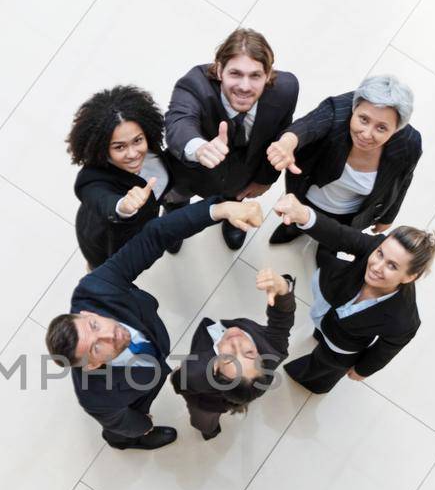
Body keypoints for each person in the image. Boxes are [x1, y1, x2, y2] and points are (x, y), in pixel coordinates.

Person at [45, 198, 264, 450]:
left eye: (94, 326)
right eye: (96, 347)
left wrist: (219, 210)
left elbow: (155, 235)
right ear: (93, 365)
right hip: (134, 396)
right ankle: (129, 443)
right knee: (120, 431)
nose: (110, 334)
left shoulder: (96, 289)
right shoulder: (95, 396)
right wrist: (142, 427)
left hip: (152, 342)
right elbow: (119, 420)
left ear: (87, 314)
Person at [270, 194, 435, 394]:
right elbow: (340, 235)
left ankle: (311, 379)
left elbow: (387, 349)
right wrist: (304, 215)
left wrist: (362, 370)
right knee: (321, 328)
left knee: (323, 368)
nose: (377, 266)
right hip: (329, 299)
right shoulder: (374, 246)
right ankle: (319, 332)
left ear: (410, 277)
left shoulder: (404, 320)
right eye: (380, 254)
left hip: (344, 343)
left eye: (392, 266)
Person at [165, 28, 299, 251]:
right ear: (219, 70)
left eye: (255, 75)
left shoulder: (286, 90)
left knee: (235, 195)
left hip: (241, 177)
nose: (245, 87)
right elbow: (179, 122)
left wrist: (266, 179)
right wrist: (199, 149)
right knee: (176, 198)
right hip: (191, 174)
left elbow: (279, 135)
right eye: (235, 74)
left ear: (268, 75)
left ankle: (233, 212)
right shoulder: (193, 85)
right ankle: (175, 216)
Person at [265, 74, 422, 243]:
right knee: (297, 220)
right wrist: (288, 142)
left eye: (382, 128)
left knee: (335, 240)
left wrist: (388, 217)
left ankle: (327, 248)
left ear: (396, 130)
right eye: (363, 119)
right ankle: (293, 229)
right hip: (309, 195)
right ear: (354, 109)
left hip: (352, 215)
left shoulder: (409, 144)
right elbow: (309, 125)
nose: (366, 134)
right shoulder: (337, 109)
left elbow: (403, 180)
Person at [170, 268, 297, 440]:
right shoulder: (273, 349)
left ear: (215, 366)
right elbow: (282, 321)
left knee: (204, 420)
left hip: (207, 402)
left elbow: (180, 383)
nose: (237, 342)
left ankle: (209, 432)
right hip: (237, 392)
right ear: (261, 357)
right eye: (249, 352)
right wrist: (283, 289)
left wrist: (177, 374)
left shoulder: (194, 371)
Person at [67, 85, 185, 268]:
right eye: (119, 147)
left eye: (137, 140)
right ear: (103, 147)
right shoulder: (90, 179)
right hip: (107, 238)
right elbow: (102, 199)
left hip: (152, 213)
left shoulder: (151, 146)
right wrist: (122, 207)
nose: (133, 154)